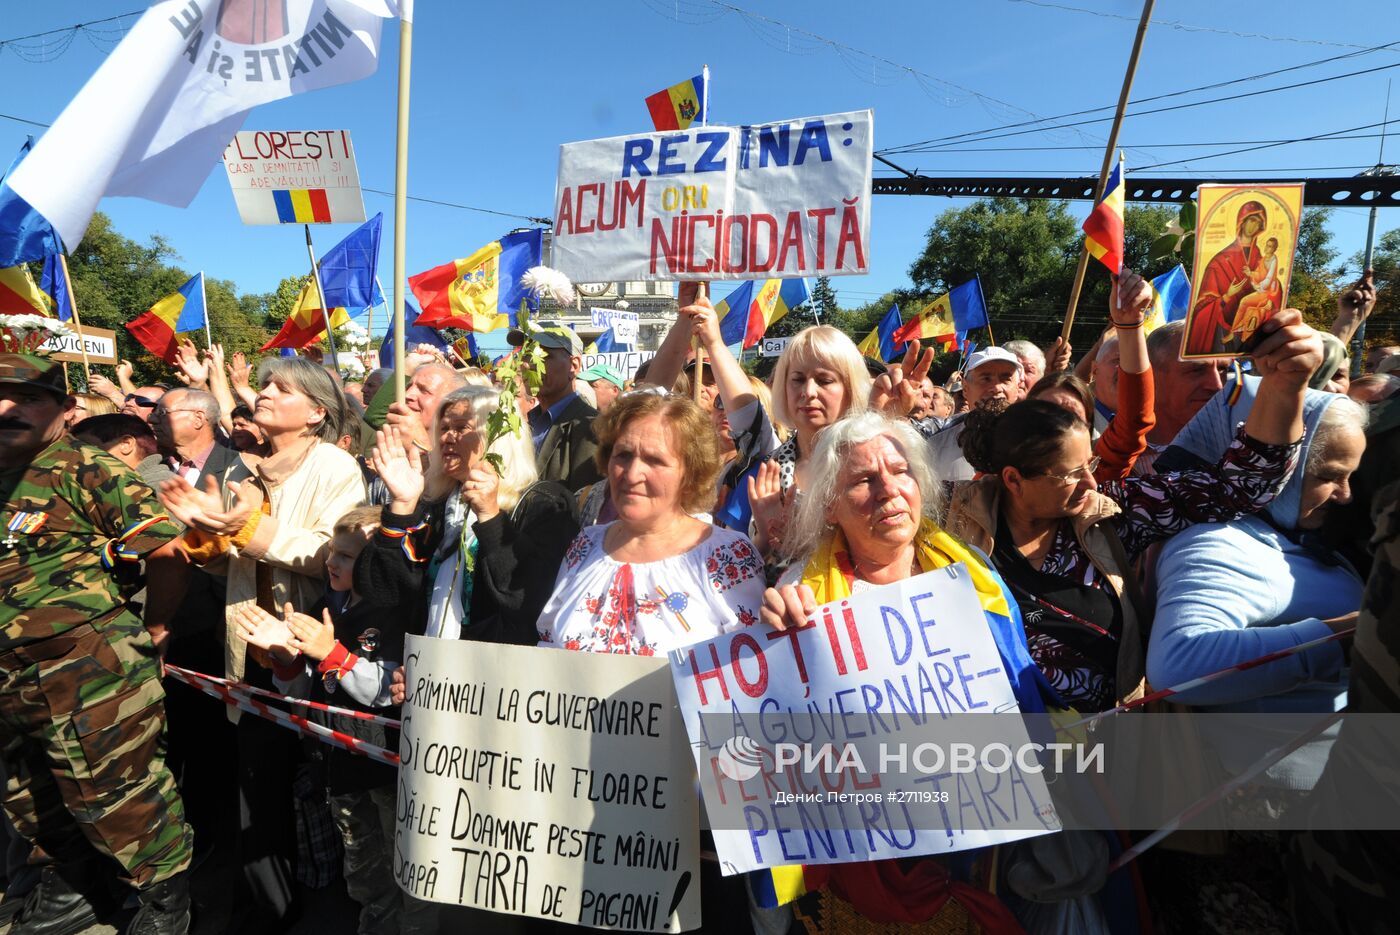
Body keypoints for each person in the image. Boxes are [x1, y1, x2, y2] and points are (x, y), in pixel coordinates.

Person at [944, 309, 1321, 712]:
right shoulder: (945, 520)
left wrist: (1285, 385)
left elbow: (1236, 487)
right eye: (1070, 475)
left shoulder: (1113, 513)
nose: (1092, 484)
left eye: (1090, 465)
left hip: (1113, 747)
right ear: (1014, 480)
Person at [757, 411, 1047, 932]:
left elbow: (1021, 702)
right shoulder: (803, 594)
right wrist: (778, 645)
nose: (889, 490)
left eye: (901, 471)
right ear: (830, 507)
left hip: (973, 847)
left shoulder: (975, 578)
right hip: (860, 863)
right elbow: (779, 746)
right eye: (863, 481)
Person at [159, 356, 365, 930]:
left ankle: (326, 899)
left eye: (281, 388)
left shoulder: (336, 466)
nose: (266, 394)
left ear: (317, 412)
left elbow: (328, 555)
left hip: (303, 650)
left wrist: (241, 530)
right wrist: (204, 532)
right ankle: (265, 911)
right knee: (257, 784)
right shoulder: (250, 472)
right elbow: (235, 564)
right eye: (266, 385)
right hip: (247, 650)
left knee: (312, 782)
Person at [0, 351, 195, 934]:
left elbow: (167, 552)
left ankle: (166, 904)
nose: (7, 409)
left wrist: (157, 629)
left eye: (27, 397)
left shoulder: (87, 467)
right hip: (11, 678)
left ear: (65, 408)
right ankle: (74, 890)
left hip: (85, 668)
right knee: (31, 796)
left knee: (120, 794)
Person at [1149, 388, 1365, 788]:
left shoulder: (1290, 532)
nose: (1345, 494)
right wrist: (1345, 637)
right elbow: (1176, 666)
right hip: (1269, 804)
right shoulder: (1216, 543)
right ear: (1282, 464)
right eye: (1328, 476)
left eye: (1351, 476)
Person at [233, 505, 413, 935]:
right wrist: (286, 660)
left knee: (403, 866)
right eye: (333, 551)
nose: (331, 562)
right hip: (339, 766)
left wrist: (331, 653)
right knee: (363, 870)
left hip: (385, 771)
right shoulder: (324, 605)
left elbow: (388, 691)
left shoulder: (395, 614)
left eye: (347, 556)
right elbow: (307, 694)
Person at [537, 392, 765, 655]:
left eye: (654, 460)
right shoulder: (585, 545)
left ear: (690, 473)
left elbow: (750, 668)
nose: (632, 475)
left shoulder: (726, 557)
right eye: (622, 455)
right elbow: (548, 646)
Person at [361, 387, 579, 645]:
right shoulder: (436, 506)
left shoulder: (543, 504)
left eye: (461, 428)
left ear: (498, 436)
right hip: (429, 675)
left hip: (495, 677)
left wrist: (490, 516)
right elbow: (383, 593)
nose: (447, 438)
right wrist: (402, 506)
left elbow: (529, 603)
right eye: (443, 429)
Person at [743, 325, 872, 563]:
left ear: (850, 387)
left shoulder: (874, 459)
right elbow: (757, 562)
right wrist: (765, 534)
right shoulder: (773, 465)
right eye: (798, 379)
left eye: (824, 380)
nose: (808, 391)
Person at [1031, 272, 1156, 480]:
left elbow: (1133, 421)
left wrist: (1130, 324)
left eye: (1074, 418)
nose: (1060, 426)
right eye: (1048, 415)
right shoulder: (995, 484)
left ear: (1088, 427)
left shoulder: (1095, 473)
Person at [510, 326, 603, 491]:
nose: (527, 364)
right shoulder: (524, 424)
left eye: (543, 355)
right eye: (525, 354)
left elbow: (582, 506)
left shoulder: (592, 429)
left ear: (573, 365)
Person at [1143, 320, 1233, 473]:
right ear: (1149, 375)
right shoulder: (1106, 456)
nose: (1217, 385)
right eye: (1197, 370)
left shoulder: (1244, 448)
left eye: (1223, 369)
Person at [926, 346, 1023, 482]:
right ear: (965, 388)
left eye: (1005, 379)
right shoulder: (935, 447)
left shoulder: (1036, 443)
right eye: (986, 379)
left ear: (1018, 387)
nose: (996, 388)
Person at [1185, 199, 1268, 356]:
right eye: (1251, 220)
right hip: (1222, 333)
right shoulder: (1219, 261)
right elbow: (1203, 305)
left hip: (1251, 329)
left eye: (1258, 223)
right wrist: (1227, 296)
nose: (1253, 226)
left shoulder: (1261, 260)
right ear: (1241, 221)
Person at [73, 412, 174, 491]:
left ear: (126, 444)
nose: (80, 456)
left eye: (87, 447)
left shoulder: (160, 488)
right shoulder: (127, 483)